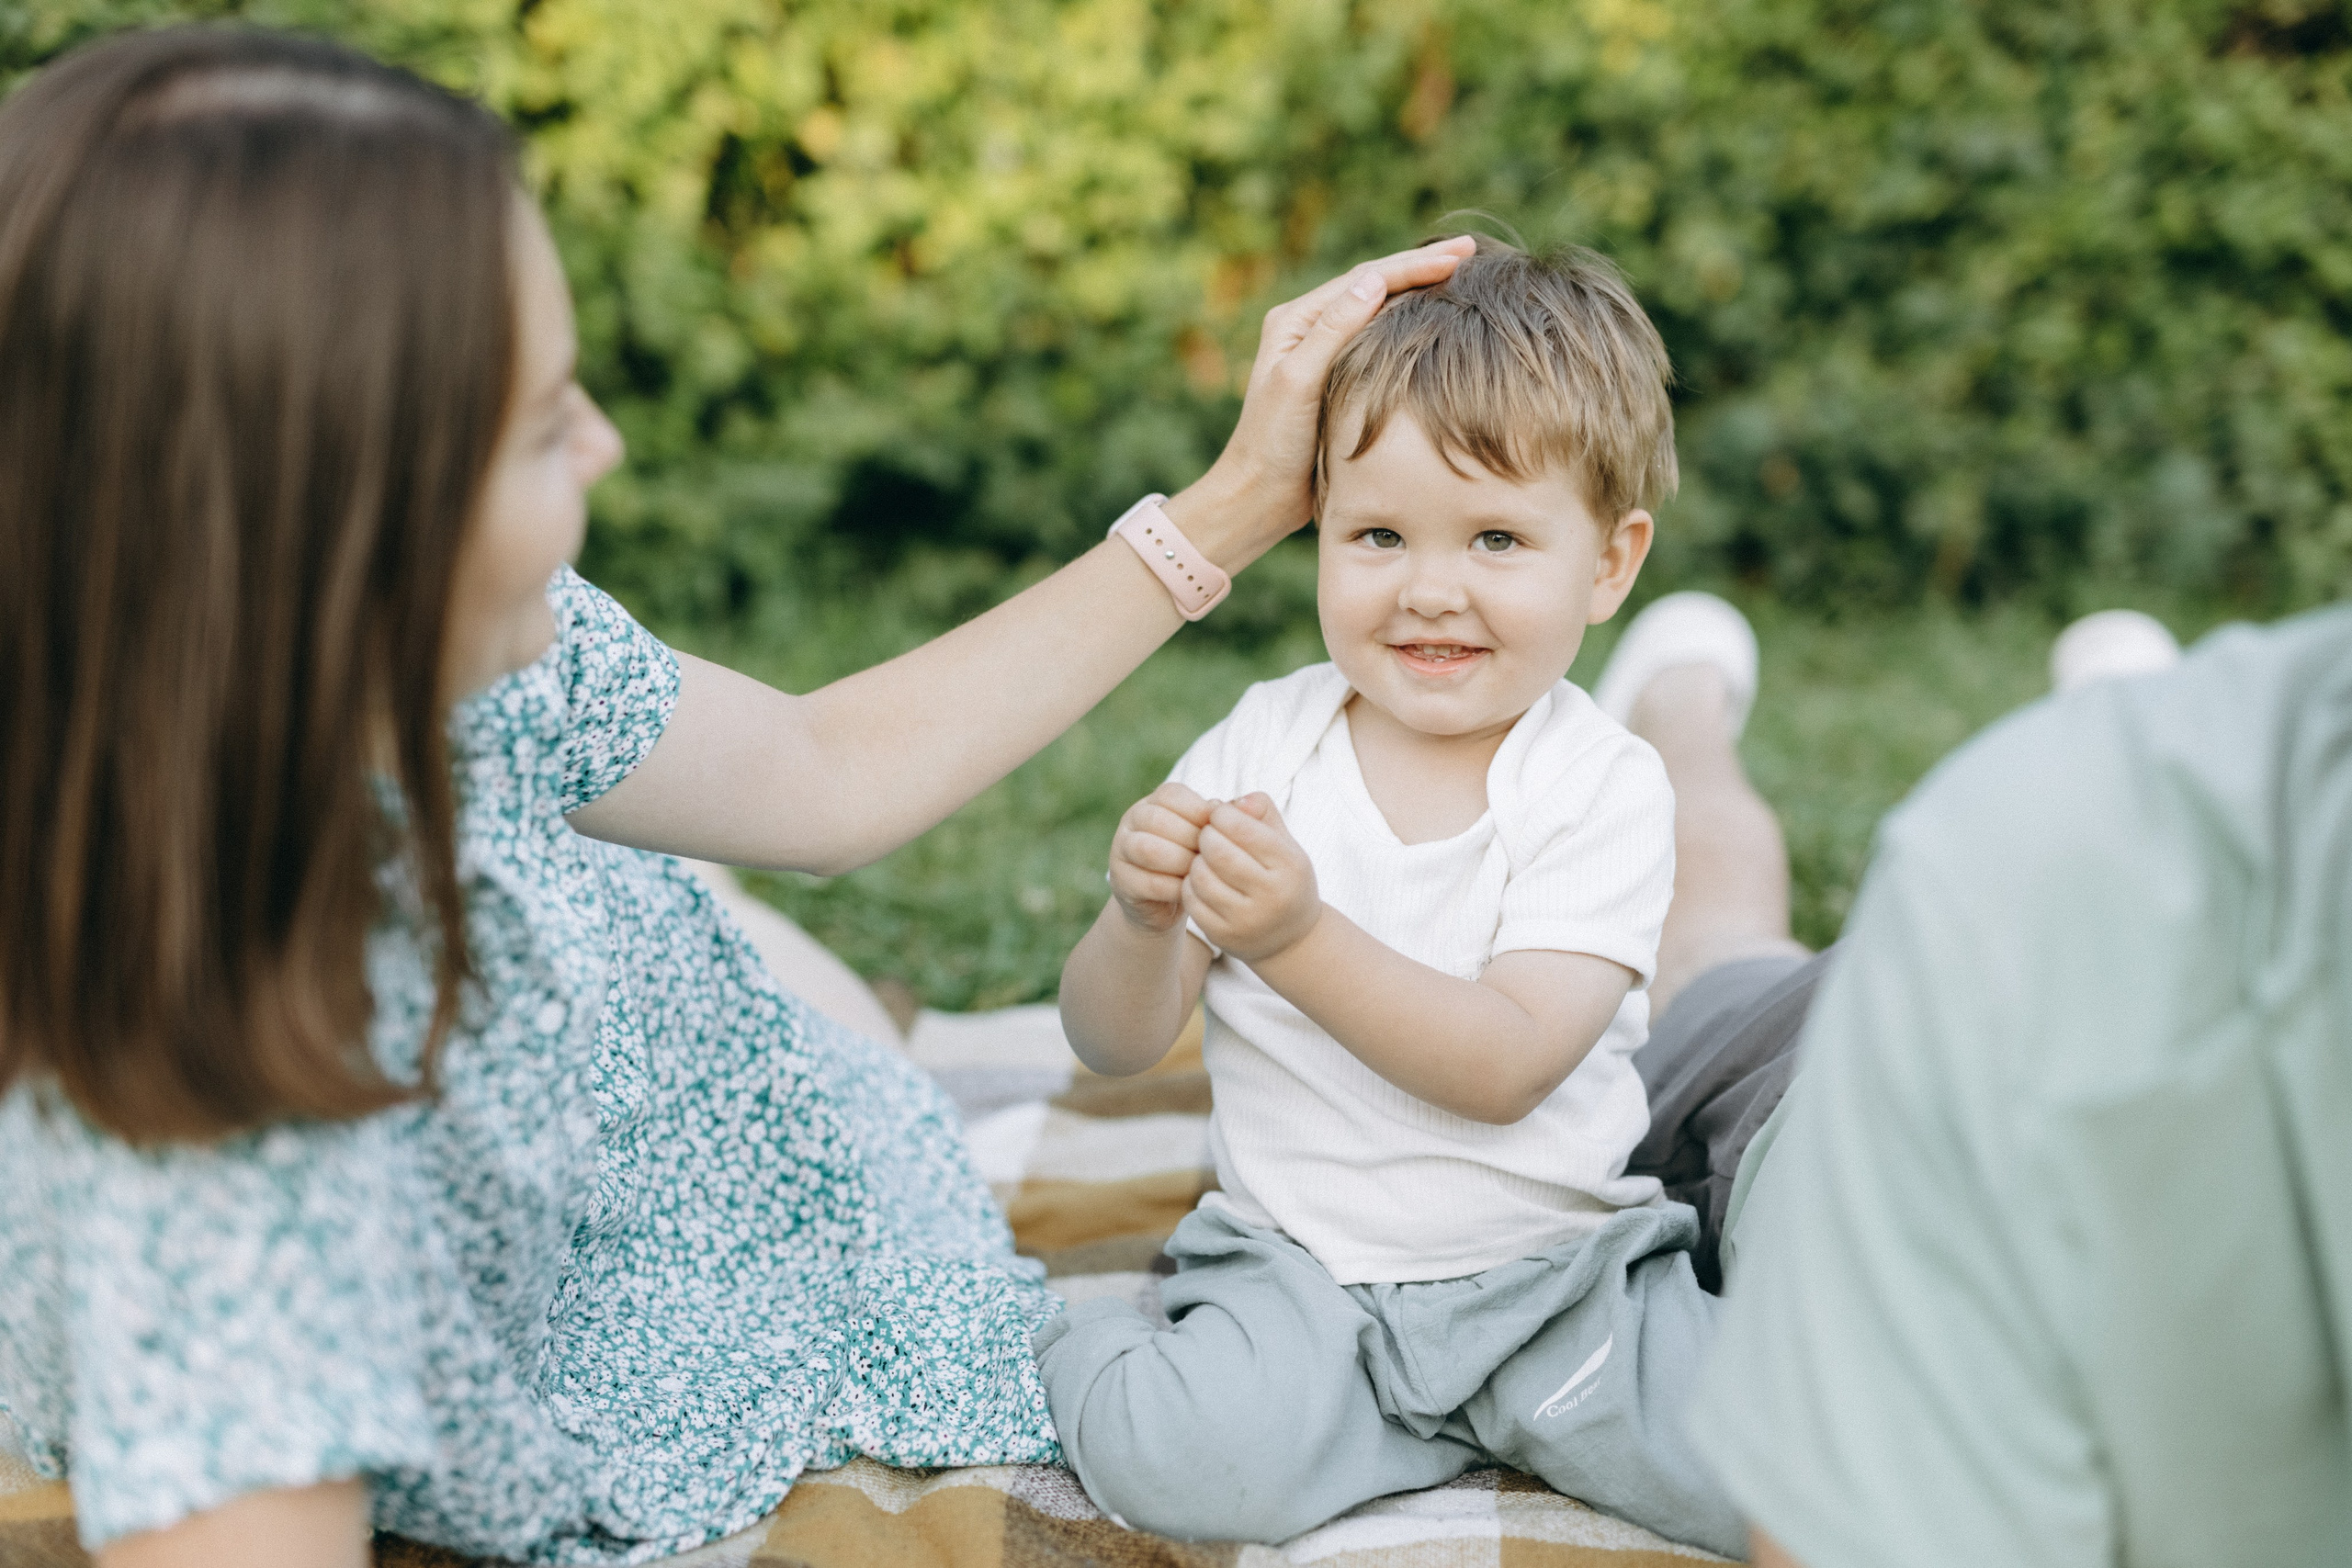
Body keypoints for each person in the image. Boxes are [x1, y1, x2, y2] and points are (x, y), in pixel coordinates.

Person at [0, 27, 1473, 1568]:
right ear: (342, 518)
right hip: (643, 1265)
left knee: (750, 966)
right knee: (835, 1038)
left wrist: (1236, 505)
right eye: (542, 423)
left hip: (680, 1054)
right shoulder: (235, 1145)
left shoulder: (455, 654)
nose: (607, 443)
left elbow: (823, 773)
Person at [1037, 243, 1750, 1556]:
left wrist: (1296, 937)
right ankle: (1033, 1339)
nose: (1429, 589)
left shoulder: (1599, 785)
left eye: (1496, 539)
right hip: (1303, 1281)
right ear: (1321, 532)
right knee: (1186, 1469)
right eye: (1378, 535)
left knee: (1770, 1477)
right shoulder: (1266, 745)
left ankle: (1524, 1412)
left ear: (1609, 562)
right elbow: (1112, 1042)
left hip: (1554, 1286)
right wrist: (1139, 924)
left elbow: (1504, 1064)